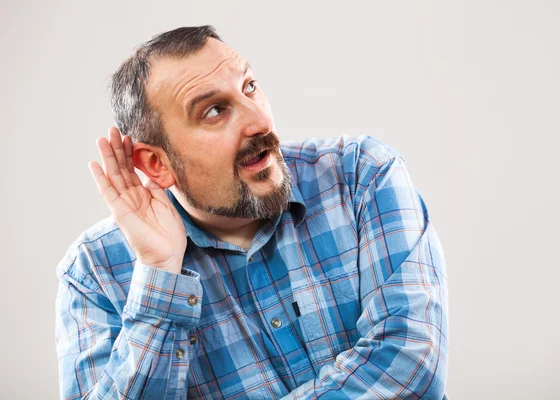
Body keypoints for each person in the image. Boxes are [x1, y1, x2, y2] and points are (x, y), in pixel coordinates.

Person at [55, 25, 449, 399]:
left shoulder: (360, 176)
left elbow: (411, 366)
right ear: (157, 164)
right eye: (214, 111)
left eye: (250, 87)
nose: (260, 121)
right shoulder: (94, 273)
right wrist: (159, 274)